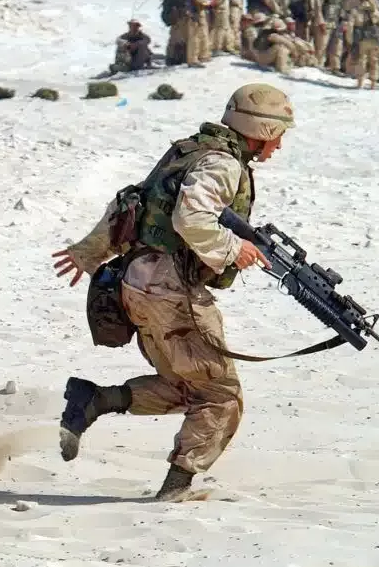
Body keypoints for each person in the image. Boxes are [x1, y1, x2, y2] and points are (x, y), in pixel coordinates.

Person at [51, 83, 295, 502]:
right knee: (220, 396)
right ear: (264, 130)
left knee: (189, 386)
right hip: (170, 291)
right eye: (279, 135)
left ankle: (95, 400)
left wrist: (90, 251)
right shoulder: (221, 163)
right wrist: (236, 249)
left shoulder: (189, 151)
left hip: (138, 283)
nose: (278, 147)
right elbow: (190, 219)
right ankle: (175, 490)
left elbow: (134, 204)